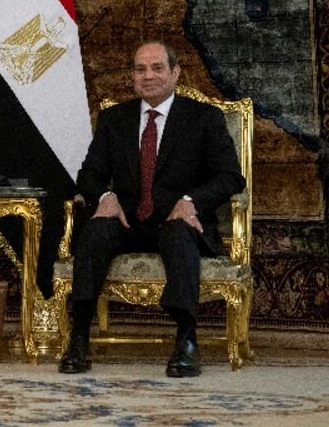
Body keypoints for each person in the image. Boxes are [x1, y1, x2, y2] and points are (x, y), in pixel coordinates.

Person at [59, 41, 244, 377]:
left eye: (157, 68)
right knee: (96, 230)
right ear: (132, 77)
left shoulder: (203, 118)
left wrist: (190, 202)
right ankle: (79, 337)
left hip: (176, 220)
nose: (148, 76)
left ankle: (186, 340)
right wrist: (104, 197)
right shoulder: (115, 119)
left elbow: (231, 177)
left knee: (178, 234)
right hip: (128, 220)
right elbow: (89, 174)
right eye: (140, 69)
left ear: (175, 72)